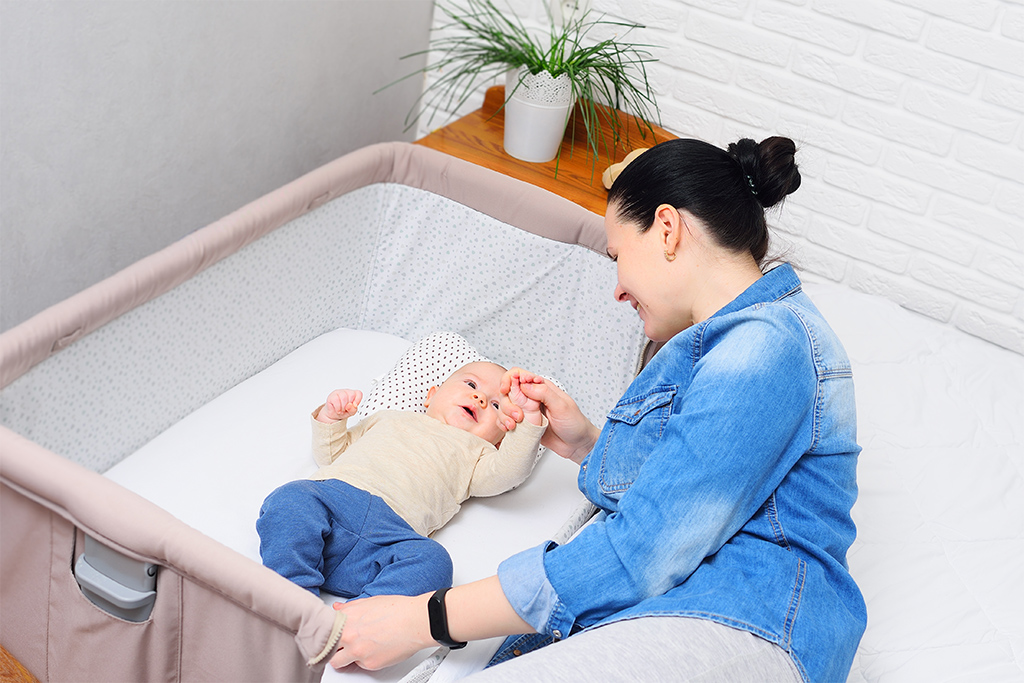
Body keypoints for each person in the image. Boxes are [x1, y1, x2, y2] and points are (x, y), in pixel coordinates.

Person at [325, 137, 867, 682]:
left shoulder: (767, 350)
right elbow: (680, 494)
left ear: (668, 228)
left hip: (747, 619)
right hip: (677, 611)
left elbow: (643, 550)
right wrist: (586, 441)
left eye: (617, 257)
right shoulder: (717, 348)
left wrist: (426, 618)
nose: (617, 290)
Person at [256, 361, 547, 600]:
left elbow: (510, 471)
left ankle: (360, 620)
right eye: (471, 385)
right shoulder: (389, 418)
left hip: (390, 538)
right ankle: (293, 597)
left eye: (497, 406)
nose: (480, 398)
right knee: (291, 499)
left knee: (435, 563)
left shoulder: (478, 454)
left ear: (500, 439)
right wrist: (332, 418)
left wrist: (530, 420)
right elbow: (333, 453)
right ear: (432, 395)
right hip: (334, 501)